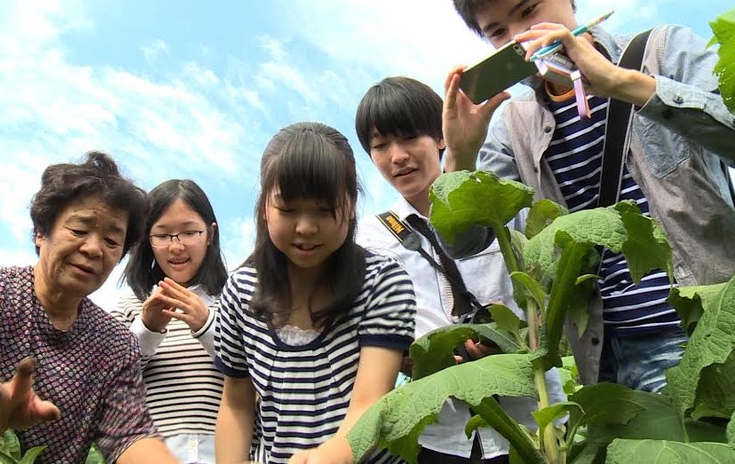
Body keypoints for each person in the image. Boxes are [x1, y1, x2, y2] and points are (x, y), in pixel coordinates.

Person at [445, 0, 735, 392]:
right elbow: (464, 243)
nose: (518, 37)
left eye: (528, 10)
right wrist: (460, 157)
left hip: (712, 326)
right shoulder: (512, 125)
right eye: (497, 32)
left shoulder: (662, 50)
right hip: (609, 360)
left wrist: (623, 84)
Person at [356, 76, 565, 464]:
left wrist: (509, 338)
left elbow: (544, 289)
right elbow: (375, 334)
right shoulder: (372, 238)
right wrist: (423, 357)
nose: (397, 156)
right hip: (440, 433)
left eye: (408, 139)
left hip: (533, 419)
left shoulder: (501, 202)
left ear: (439, 136)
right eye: (381, 146)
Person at [0, 152, 180, 464]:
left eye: (112, 241)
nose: (94, 248)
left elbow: (129, 435)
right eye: (80, 229)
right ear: (41, 232)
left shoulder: (115, 343)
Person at [213, 122, 416, 464]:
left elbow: (370, 404)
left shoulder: (382, 282)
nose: (305, 227)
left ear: (351, 204)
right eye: (288, 210)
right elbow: (236, 403)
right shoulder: (240, 291)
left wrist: (326, 457)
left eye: (324, 210)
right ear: (265, 207)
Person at [113, 179, 228, 464]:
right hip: (149, 453)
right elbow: (109, 384)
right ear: (146, 239)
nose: (176, 246)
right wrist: (148, 329)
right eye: (163, 235)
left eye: (189, 232)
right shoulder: (129, 307)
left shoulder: (237, 302)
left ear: (210, 234)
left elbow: (262, 375)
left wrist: (207, 326)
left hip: (224, 452)